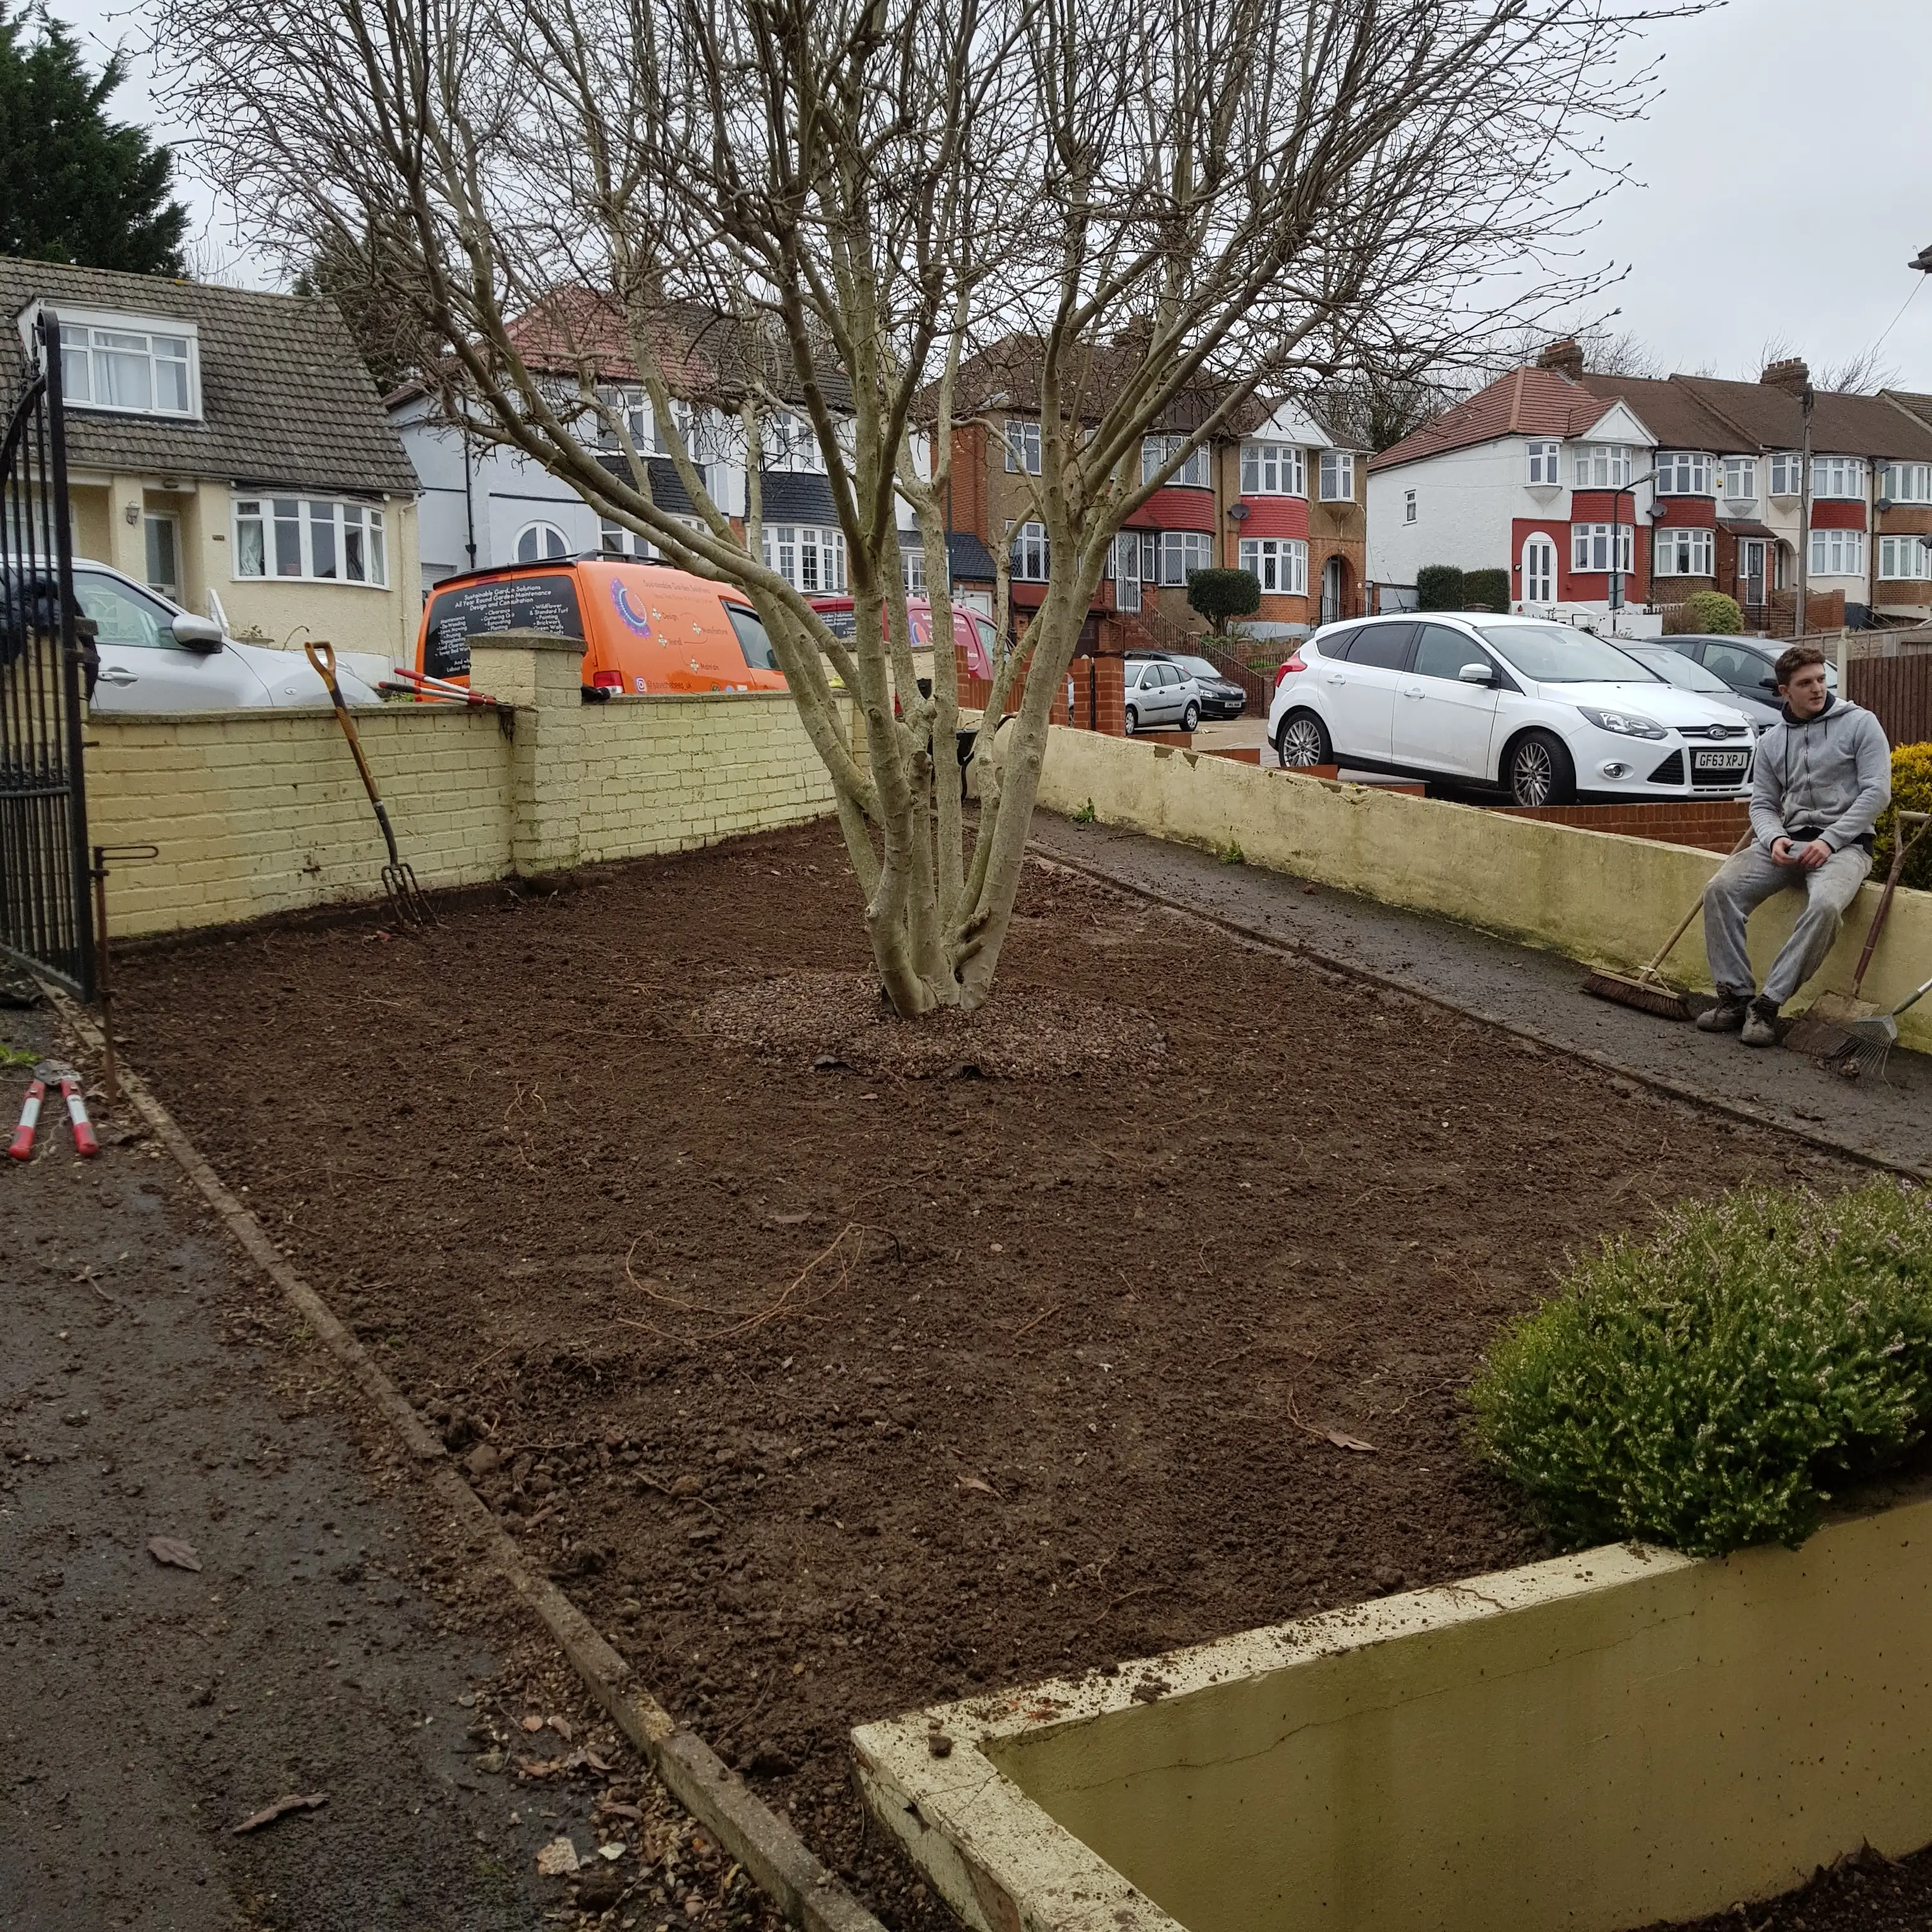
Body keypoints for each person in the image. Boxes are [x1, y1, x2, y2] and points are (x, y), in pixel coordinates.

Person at [1698, 643, 1890, 1046]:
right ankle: (1735, 997)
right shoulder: (1771, 742)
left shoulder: (1861, 724)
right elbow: (1763, 804)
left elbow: (1877, 794)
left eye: (1821, 679)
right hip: (1787, 846)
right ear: (1785, 691)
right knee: (1720, 889)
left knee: (1824, 906)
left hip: (1847, 847)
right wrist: (1774, 837)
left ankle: (1768, 1006)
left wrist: (1832, 839)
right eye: (1806, 683)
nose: (1817, 688)